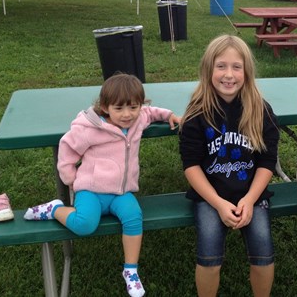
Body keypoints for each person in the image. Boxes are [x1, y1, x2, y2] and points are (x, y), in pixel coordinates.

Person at [24, 73, 180, 297]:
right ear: (106, 107)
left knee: (134, 216)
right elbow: (67, 148)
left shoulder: (138, 119)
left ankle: (130, 270)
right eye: (119, 108)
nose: (127, 114)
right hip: (91, 190)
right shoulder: (90, 128)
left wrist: (169, 115)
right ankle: (54, 209)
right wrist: (71, 180)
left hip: (121, 192)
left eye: (133, 107)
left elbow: (151, 112)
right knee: (85, 225)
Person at [179, 35, 280, 297]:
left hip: (251, 195)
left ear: (247, 71)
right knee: (209, 257)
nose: (229, 74)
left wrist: (250, 199)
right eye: (220, 66)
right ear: (208, 69)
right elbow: (191, 165)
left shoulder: (260, 109)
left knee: (263, 253)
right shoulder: (197, 112)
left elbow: (268, 162)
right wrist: (218, 203)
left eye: (237, 67)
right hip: (210, 196)